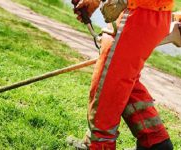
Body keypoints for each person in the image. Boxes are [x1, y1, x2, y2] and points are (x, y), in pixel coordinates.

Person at [69, 0, 175, 149]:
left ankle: (99, 145)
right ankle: (155, 141)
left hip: (137, 13)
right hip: (151, 12)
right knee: (121, 76)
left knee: (108, 81)